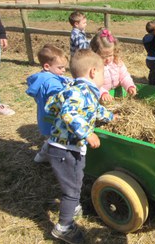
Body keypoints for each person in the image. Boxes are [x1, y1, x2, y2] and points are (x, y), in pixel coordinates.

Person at [45, 49, 117, 243]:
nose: (104, 78)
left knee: (75, 178)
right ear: (93, 72)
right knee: (72, 190)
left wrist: (112, 117)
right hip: (66, 149)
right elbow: (69, 113)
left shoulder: (74, 89)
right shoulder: (81, 92)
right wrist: (87, 132)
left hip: (62, 147)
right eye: (103, 73)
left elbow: (53, 106)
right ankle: (64, 228)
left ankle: (73, 206)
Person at [26, 44, 70, 163]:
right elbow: (57, 94)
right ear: (47, 66)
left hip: (45, 117)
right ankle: (47, 158)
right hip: (53, 118)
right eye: (60, 68)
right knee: (55, 140)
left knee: (51, 139)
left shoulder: (43, 77)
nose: (64, 70)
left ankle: (42, 156)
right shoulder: (51, 81)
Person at [90, 28, 136, 102]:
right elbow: (92, 83)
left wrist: (129, 86)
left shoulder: (116, 61)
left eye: (110, 55)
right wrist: (103, 93)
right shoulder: (93, 67)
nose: (108, 59)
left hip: (116, 95)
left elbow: (124, 76)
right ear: (94, 53)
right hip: (101, 98)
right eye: (103, 57)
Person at [142, 20, 155, 85]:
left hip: (149, 58)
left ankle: (151, 83)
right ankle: (152, 86)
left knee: (152, 72)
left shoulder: (145, 38)